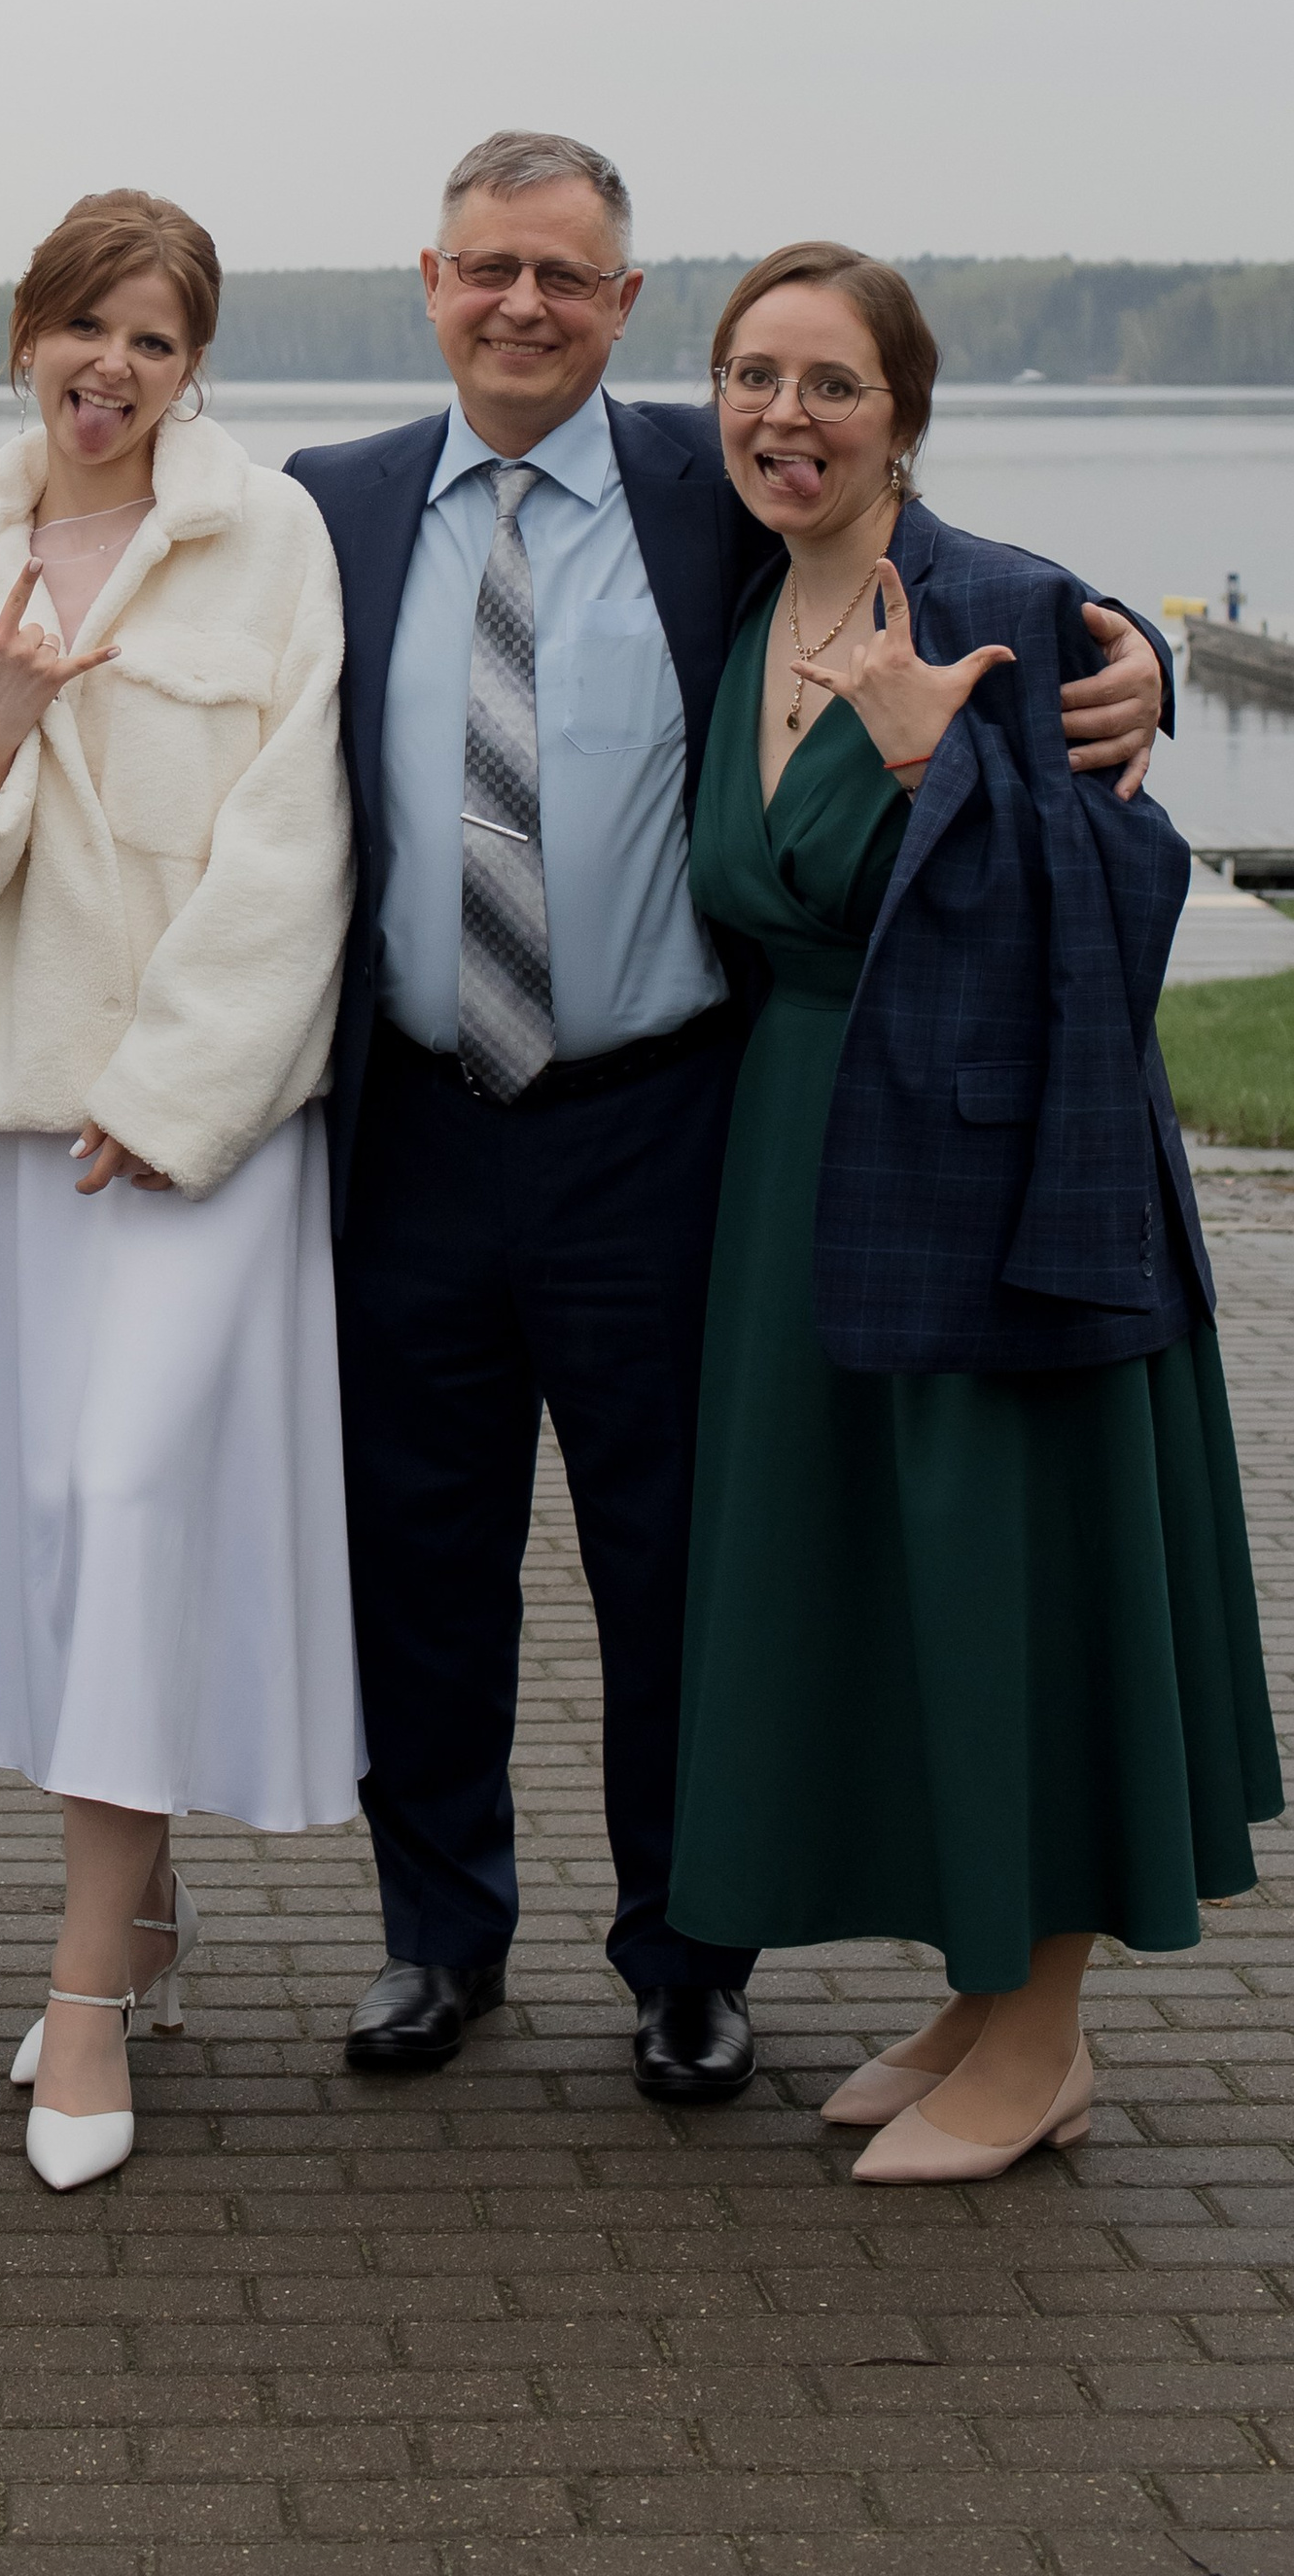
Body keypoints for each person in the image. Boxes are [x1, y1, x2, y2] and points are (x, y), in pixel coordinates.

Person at [285, 134, 1172, 2101]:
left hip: (660, 1132)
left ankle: (690, 1952)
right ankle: (436, 1938)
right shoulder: (320, 509)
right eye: (485, 267)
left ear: (620, 310)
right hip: (410, 1124)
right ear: (428, 280)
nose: (519, 303)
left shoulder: (716, 482)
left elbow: (974, 578)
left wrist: (1148, 659)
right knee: (415, 1565)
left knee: (681, 1561)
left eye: (564, 277)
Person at [667, 242, 1280, 2178]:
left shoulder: (1013, 610)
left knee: (1008, 1576)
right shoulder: (743, 598)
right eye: (752, 377)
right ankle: (969, 1990)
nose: (784, 414)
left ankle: (1044, 2040)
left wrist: (948, 771)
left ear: (902, 417)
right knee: (880, 1588)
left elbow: (1123, 906)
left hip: (996, 1171)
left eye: (829, 383)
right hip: (792, 1159)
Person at [0, 191, 359, 2192]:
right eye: (80, 327)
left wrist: (178, 1087)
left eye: (151, 337)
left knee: (135, 1489)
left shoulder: (266, 538)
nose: (109, 368)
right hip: (9, 1130)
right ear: (23, 336)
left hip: (199, 1129)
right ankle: (129, 1913)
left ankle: (76, 1995)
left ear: (191, 361)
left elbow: (298, 848)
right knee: (50, 1517)